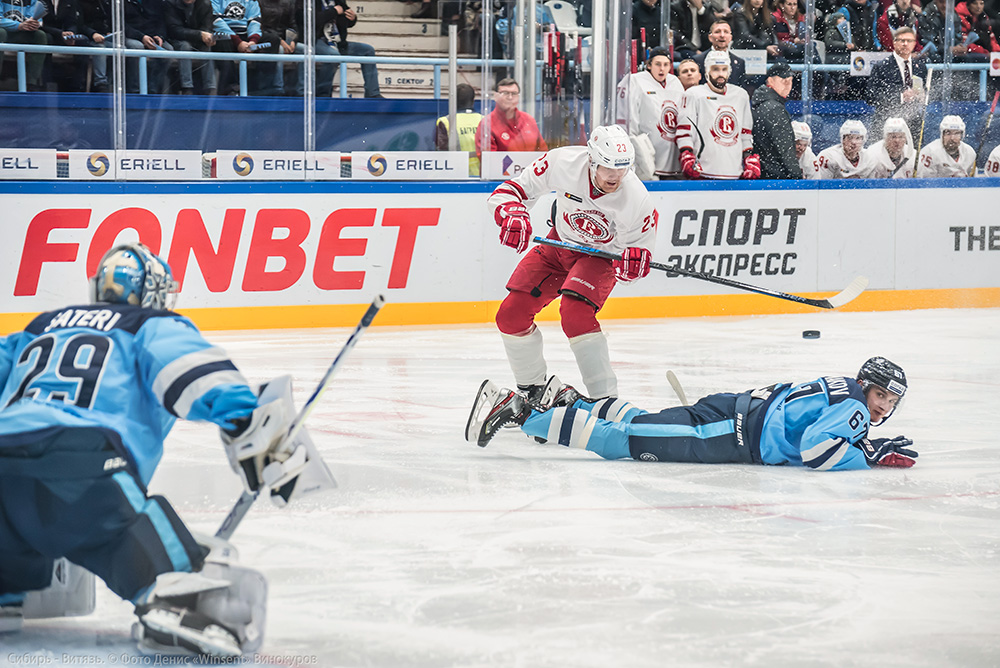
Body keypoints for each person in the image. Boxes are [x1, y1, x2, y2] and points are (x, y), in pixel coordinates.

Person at [0, 243, 318, 657]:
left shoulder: (39, 327)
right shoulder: (147, 323)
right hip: (79, 458)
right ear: (149, 290)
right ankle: (172, 598)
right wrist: (247, 420)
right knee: (119, 525)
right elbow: (192, 371)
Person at [468, 357, 918, 473]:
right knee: (625, 441)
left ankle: (569, 400)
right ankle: (520, 412)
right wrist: (868, 456)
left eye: (890, 402)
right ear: (868, 385)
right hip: (730, 434)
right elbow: (817, 451)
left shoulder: (842, 386)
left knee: (641, 421)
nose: (883, 406)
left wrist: (861, 445)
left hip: (729, 413)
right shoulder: (855, 405)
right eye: (882, 395)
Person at [485, 125, 657, 400]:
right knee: (510, 315)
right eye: (608, 168)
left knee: (575, 314)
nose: (616, 177)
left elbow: (635, 258)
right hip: (558, 245)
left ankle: (605, 400)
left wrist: (632, 265)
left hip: (600, 257)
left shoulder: (636, 199)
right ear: (592, 160)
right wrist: (513, 214)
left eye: (623, 168)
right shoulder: (561, 162)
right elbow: (511, 191)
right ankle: (532, 388)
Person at [677, 50, 759, 180]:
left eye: (724, 69)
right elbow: (685, 130)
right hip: (703, 173)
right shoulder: (694, 94)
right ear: (707, 71)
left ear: (730, 71)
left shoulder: (741, 95)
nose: (720, 74)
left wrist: (748, 157)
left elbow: (745, 133)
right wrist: (686, 153)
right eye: (715, 69)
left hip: (734, 173)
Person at [616, 46, 685, 179]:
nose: (662, 69)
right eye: (658, 64)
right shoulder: (635, 81)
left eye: (666, 65)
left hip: (673, 157)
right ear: (649, 65)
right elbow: (629, 119)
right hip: (647, 154)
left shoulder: (675, 82)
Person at [297, 0, 383, 99]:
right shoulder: (308, 2)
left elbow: (344, 20)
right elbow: (309, 21)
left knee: (368, 50)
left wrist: (352, 19)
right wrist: (334, 11)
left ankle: (372, 93)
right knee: (332, 55)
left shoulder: (339, 1)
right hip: (315, 41)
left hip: (337, 42)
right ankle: (323, 94)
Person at [866, 27, 927, 137]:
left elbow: (926, 91)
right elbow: (871, 96)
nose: (905, 44)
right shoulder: (881, 67)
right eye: (901, 40)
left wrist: (923, 96)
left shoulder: (920, 67)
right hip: (886, 124)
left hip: (914, 125)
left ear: (914, 43)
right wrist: (900, 97)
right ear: (894, 42)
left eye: (909, 41)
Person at [210, 0, 278, 96]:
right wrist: (238, 42)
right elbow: (216, 21)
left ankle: (263, 88)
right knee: (222, 41)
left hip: (245, 36)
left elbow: (254, 21)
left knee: (273, 40)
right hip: (226, 36)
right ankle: (230, 88)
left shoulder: (251, 1)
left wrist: (252, 41)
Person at [750, 62, 801, 179]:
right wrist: (796, 177)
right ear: (770, 81)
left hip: (764, 174)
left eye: (790, 80)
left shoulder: (761, 104)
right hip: (777, 177)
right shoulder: (774, 109)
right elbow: (785, 149)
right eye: (784, 81)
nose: (788, 85)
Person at [475, 78, 548, 157]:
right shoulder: (487, 124)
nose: (510, 97)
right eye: (505, 93)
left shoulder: (528, 120)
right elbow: (489, 160)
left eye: (514, 93)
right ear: (496, 96)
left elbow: (542, 152)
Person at [165, 0, 218, 94]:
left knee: (206, 47)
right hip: (175, 39)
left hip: (197, 39)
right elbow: (174, 30)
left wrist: (208, 37)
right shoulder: (171, 3)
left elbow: (207, 25)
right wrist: (200, 34)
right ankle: (186, 87)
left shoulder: (205, 3)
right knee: (185, 46)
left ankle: (210, 88)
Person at [124, 0, 175, 94]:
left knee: (168, 50)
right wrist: (141, 37)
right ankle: (134, 90)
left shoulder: (156, 2)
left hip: (152, 36)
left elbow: (161, 21)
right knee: (137, 48)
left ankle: (154, 89)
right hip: (130, 36)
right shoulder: (122, 2)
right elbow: (122, 25)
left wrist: (160, 36)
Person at [436, 82, 484, 176]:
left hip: (456, 176)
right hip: (482, 176)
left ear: (453, 100)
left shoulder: (445, 121)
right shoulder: (485, 120)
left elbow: (440, 154)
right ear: (473, 100)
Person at [0, 0, 50, 91]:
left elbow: (37, 20)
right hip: (5, 31)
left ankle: (32, 82)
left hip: (21, 32)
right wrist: (19, 25)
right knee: (1, 32)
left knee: (40, 35)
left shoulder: (33, 1)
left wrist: (33, 24)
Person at [693, 19, 748, 89]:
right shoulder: (698, 60)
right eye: (717, 32)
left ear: (730, 37)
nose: (722, 35)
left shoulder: (740, 62)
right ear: (710, 37)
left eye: (726, 32)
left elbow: (741, 88)